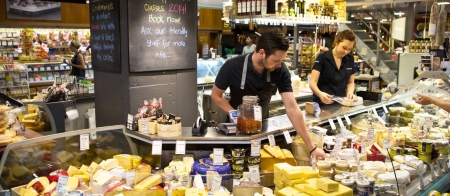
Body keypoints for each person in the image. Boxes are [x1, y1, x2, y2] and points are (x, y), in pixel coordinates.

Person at [212, 29, 326, 160]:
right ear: (262, 53)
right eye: (276, 60)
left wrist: (312, 147)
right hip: (235, 131)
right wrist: (234, 113)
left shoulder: (280, 70)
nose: (279, 65)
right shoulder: (232, 66)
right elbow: (216, 95)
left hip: (262, 130)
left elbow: (293, 109)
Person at [309, 29, 357, 105]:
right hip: (322, 104)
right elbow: (312, 82)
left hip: (340, 104)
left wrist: (350, 92)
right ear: (336, 43)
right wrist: (320, 94)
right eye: (344, 48)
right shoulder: (322, 58)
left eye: (349, 49)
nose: (346, 51)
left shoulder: (350, 58)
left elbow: (350, 82)